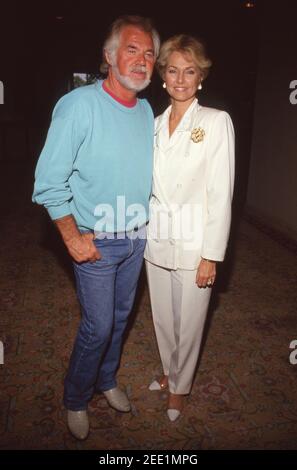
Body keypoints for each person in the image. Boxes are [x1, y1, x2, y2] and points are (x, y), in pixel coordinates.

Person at [32, 15, 160, 440]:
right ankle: (75, 397)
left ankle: (106, 380)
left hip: (136, 237)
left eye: (149, 53)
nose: (142, 61)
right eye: (131, 49)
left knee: (121, 319)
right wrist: (71, 235)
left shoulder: (145, 110)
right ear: (108, 56)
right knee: (98, 325)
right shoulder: (79, 105)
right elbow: (49, 182)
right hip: (96, 240)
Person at [144, 35, 235, 422]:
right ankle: (168, 372)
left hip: (196, 242)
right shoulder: (152, 123)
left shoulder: (215, 122)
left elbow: (220, 192)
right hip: (156, 238)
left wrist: (211, 255)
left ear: (201, 77)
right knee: (163, 316)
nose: (180, 78)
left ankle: (181, 388)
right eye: (173, 70)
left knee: (191, 321)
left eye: (189, 71)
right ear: (163, 77)